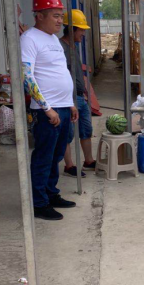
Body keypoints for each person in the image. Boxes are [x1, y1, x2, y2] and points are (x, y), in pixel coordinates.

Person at [21, 0, 79, 221]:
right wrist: (46, 108)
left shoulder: (53, 39)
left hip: (62, 107)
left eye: (60, 15)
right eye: (55, 15)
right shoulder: (30, 39)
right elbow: (27, 76)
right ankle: (39, 203)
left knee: (55, 156)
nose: (59, 21)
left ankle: (51, 193)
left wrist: (70, 103)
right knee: (43, 157)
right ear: (39, 15)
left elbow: (60, 71)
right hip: (47, 111)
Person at [60, 9, 96, 178]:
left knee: (86, 129)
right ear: (71, 29)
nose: (83, 33)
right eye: (81, 30)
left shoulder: (73, 47)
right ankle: (69, 165)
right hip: (68, 99)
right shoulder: (60, 48)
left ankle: (88, 161)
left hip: (80, 97)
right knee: (67, 133)